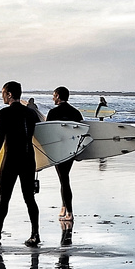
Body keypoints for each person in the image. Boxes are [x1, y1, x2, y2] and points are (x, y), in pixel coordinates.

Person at [0, 81, 41, 247]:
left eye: (3, 93)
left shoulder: (5, 113)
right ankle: (35, 234)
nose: (2, 96)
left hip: (11, 159)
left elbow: (0, 137)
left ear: (9, 94)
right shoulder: (31, 114)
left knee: (4, 198)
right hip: (29, 158)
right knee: (29, 198)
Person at [47, 86, 84, 224]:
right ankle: (64, 206)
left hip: (58, 150)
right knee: (64, 178)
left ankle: (69, 212)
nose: (53, 98)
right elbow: (82, 131)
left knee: (64, 179)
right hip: (71, 149)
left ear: (58, 96)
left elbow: (47, 133)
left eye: (54, 95)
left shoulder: (53, 112)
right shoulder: (76, 112)